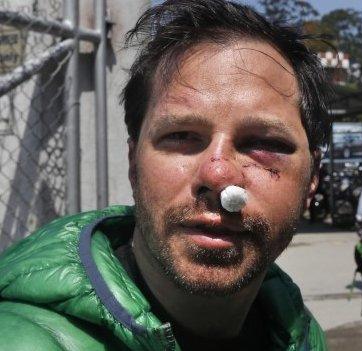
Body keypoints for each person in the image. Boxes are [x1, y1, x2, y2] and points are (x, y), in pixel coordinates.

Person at [0, 1, 331, 350]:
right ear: (133, 163)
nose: (218, 174)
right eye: (181, 136)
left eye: (263, 142)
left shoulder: (301, 335)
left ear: (312, 178)